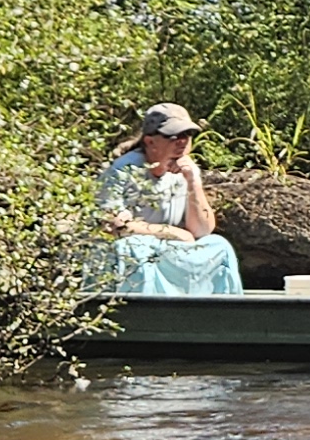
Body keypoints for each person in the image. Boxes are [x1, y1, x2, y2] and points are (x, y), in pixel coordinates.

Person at [96, 101, 245, 295]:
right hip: (133, 253)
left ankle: (219, 316)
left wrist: (193, 183)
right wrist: (170, 232)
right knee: (134, 248)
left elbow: (201, 230)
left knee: (219, 246)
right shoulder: (122, 172)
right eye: (174, 136)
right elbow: (111, 225)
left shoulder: (187, 170)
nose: (182, 141)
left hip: (168, 250)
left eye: (187, 135)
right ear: (150, 142)